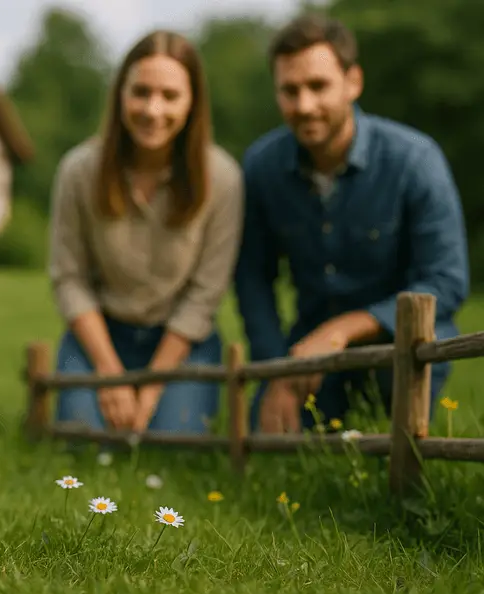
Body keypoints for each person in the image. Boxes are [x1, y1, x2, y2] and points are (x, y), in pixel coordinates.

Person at [233, 13, 470, 434]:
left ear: (353, 82)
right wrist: (275, 368)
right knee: (272, 450)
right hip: (306, 352)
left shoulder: (415, 159)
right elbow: (252, 278)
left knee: (397, 451)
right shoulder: (261, 167)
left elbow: (446, 280)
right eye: (290, 90)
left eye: (318, 86)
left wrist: (343, 330)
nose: (305, 105)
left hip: (403, 345)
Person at [47, 29, 244, 436]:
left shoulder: (223, 179)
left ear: (192, 103)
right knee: (84, 439)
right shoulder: (78, 170)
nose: (154, 110)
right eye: (141, 92)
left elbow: (204, 295)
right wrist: (109, 374)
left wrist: (151, 389)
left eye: (170, 96)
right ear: (121, 94)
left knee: (177, 441)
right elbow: (70, 278)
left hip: (182, 342)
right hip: (101, 334)